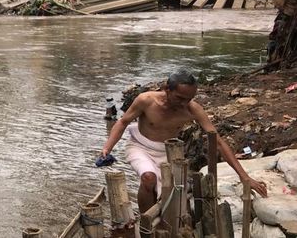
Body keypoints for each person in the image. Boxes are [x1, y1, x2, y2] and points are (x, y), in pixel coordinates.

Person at [100, 71, 268, 213]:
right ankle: (146, 224)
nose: (184, 103)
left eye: (189, 99)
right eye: (179, 98)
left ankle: (158, 219)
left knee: (166, 193)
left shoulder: (192, 109)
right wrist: (107, 148)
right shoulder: (146, 100)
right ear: (167, 89)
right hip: (140, 146)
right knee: (148, 178)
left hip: (169, 152)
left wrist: (245, 177)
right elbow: (122, 122)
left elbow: (217, 141)